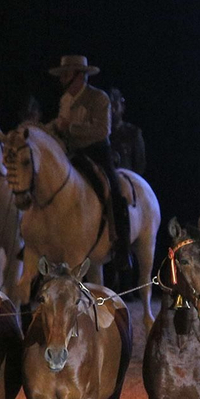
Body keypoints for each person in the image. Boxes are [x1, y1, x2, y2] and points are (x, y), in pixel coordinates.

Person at [48, 55, 129, 265]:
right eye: (63, 74)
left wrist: (71, 128)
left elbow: (103, 130)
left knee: (114, 191)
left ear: (79, 76)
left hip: (97, 153)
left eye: (66, 74)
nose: (62, 79)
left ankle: (121, 248)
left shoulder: (99, 98)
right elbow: (59, 126)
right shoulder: (64, 100)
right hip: (71, 154)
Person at [108, 88, 146, 176]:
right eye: (109, 107)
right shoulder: (100, 133)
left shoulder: (133, 133)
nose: (112, 110)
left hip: (126, 181)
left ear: (122, 108)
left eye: (115, 106)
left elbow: (139, 165)